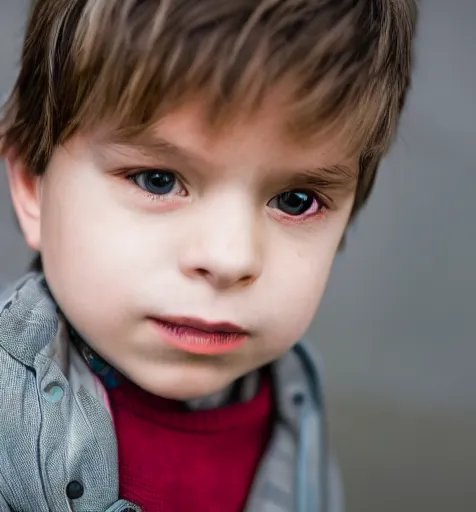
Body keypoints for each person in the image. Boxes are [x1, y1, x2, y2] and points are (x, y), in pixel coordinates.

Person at [0, 1, 417, 511]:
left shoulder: (294, 407)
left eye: (295, 201)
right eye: (159, 180)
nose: (229, 258)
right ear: (31, 184)